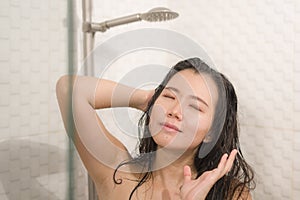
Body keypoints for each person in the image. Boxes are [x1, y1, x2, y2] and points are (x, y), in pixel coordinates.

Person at [56, 57, 255, 200]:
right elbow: (69, 89)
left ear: (212, 132)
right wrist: (145, 99)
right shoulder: (117, 173)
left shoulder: (232, 194)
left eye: (195, 107)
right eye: (169, 96)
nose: (175, 111)